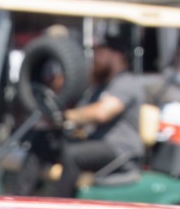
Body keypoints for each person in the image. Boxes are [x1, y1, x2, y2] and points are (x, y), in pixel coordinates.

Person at [57, 26, 145, 185]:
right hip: (97, 143)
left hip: (120, 149)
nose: (95, 58)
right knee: (46, 144)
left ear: (117, 56)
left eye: (100, 53)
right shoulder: (100, 86)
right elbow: (83, 114)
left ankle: (60, 199)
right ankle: (22, 194)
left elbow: (101, 113)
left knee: (72, 155)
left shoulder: (126, 82)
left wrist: (65, 116)